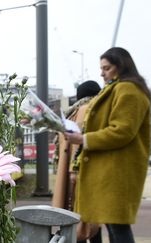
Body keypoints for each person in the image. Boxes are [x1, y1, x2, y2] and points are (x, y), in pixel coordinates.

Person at [65, 47, 151, 243]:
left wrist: (83, 139)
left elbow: (122, 131)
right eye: (101, 68)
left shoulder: (128, 90)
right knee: (113, 226)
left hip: (116, 171)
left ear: (120, 66)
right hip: (112, 170)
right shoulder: (120, 88)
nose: (101, 73)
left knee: (117, 228)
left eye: (107, 68)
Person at [52, 80, 102, 242]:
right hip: (84, 172)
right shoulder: (90, 110)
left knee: (73, 219)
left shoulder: (70, 114)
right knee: (92, 222)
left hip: (69, 174)